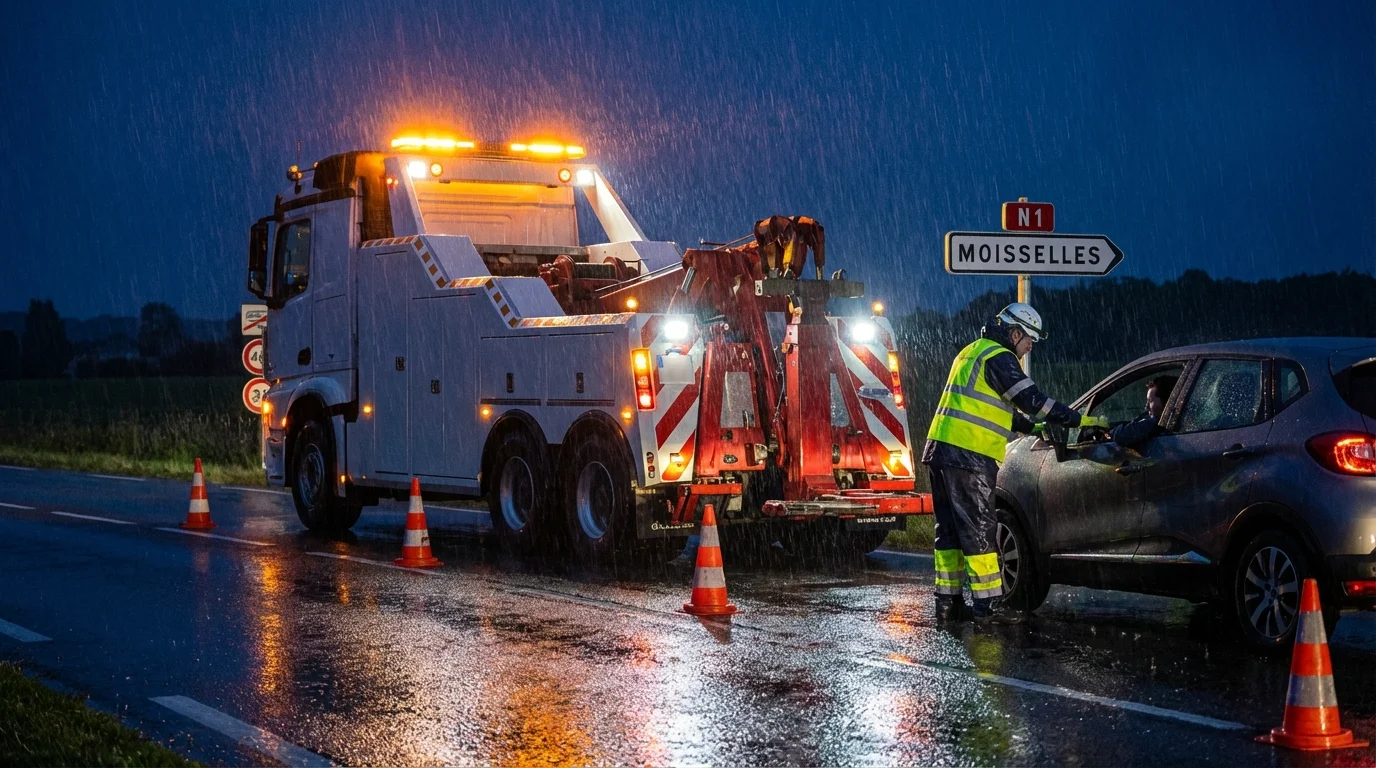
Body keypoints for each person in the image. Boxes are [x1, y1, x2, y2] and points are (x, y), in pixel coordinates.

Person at [923, 302, 1108, 624]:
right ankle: (986, 607)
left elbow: (990, 406)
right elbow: (1033, 400)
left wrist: (1029, 427)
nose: (1030, 346)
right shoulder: (999, 356)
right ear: (1014, 332)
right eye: (1029, 339)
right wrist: (1078, 420)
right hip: (969, 453)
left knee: (950, 532)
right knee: (980, 529)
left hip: (941, 449)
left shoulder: (973, 351)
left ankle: (948, 604)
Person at [1106, 375, 1177, 449]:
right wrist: (1109, 427)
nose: (1146, 407)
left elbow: (1121, 435)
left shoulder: (1157, 423)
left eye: (1150, 401)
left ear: (1166, 402)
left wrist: (1110, 433)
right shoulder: (1151, 417)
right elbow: (1134, 423)